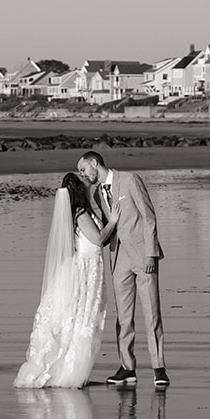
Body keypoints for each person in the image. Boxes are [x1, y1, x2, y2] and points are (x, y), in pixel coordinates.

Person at [14, 171, 124, 388]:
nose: (86, 180)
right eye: (82, 180)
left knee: (80, 319)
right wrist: (113, 221)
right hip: (85, 269)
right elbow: (99, 238)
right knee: (81, 319)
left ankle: (70, 369)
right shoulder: (81, 213)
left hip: (88, 267)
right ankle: (69, 372)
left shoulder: (81, 211)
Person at [77, 150, 168, 389]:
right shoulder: (97, 194)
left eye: (84, 169)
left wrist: (150, 253)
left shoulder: (129, 180)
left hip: (143, 256)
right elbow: (107, 228)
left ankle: (159, 368)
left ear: (95, 163)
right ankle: (127, 367)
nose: (83, 174)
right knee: (123, 318)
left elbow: (149, 217)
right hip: (119, 259)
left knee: (152, 314)